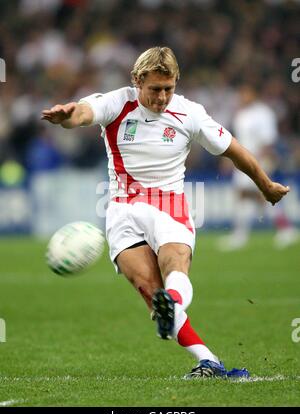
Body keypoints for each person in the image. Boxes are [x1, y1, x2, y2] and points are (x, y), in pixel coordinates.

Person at [41, 47, 290, 379]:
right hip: (122, 211)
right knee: (149, 289)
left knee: (175, 267)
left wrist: (265, 185)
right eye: (155, 89)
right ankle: (208, 360)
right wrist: (67, 117)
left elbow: (235, 150)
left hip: (169, 205)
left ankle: (172, 302)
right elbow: (84, 112)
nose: (161, 97)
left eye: (168, 89)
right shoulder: (119, 102)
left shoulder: (190, 113)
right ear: (137, 80)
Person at [217, 83, 298, 251]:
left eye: (245, 93)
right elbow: (237, 141)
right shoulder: (241, 114)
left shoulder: (263, 113)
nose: (242, 97)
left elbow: (269, 140)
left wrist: (260, 160)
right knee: (248, 195)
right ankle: (279, 229)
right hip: (244, 161)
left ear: (253, 94)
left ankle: (245, 235)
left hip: (258, 161)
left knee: (260, 193)